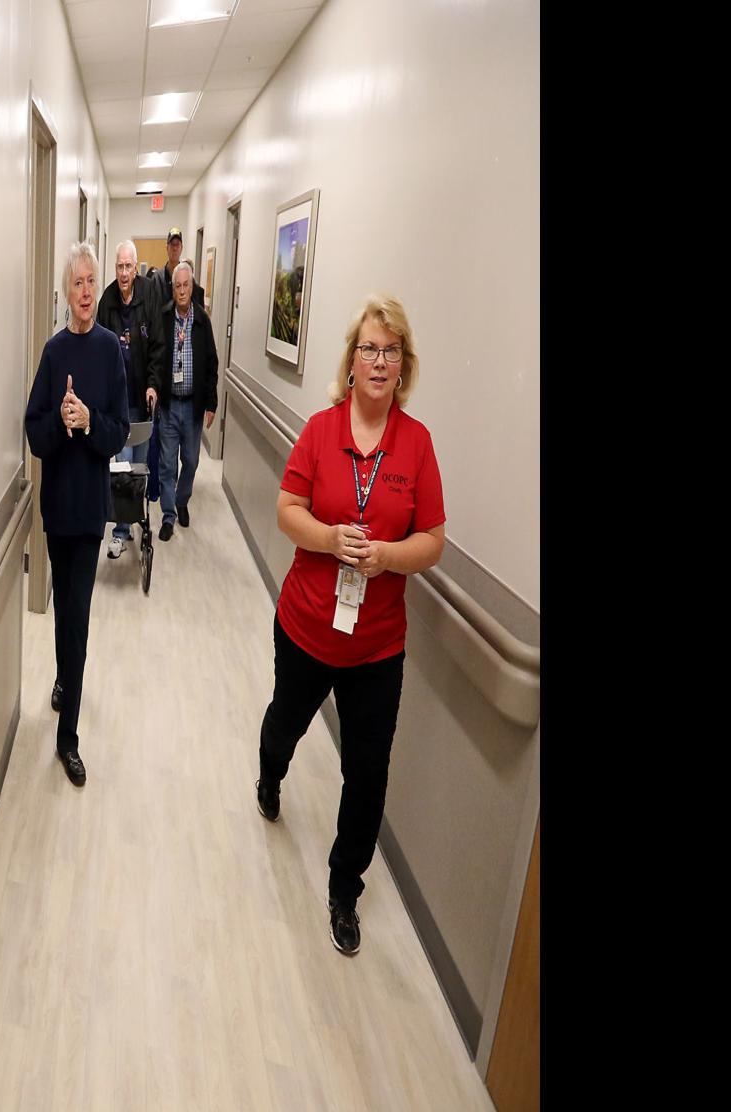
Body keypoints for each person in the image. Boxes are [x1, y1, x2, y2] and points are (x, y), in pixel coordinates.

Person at [255, 295, 445, 955]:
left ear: (403, 364)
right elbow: (288, 509)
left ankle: (344, 890)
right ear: (352, 360)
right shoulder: (321, 430)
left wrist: (387, 556)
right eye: (369, 349)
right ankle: (270, 772)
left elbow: (433, 540)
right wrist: (331, 539)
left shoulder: (416, 445)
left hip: (377, 647)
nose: (379, 361)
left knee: (368, 773)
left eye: (391, 351)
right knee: (285, 722)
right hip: (307, 626)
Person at [24, 242, 129, 786]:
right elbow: (34, 432)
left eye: (92, 281)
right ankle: (65, 678)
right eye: (78, 283)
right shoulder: (53, 352)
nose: (86, 292)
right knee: (63, 608)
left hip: (89, 511)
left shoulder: (110, 350)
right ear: (66, 292)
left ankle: (68, 738)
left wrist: (88, 422)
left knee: (79, 619)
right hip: (57, 508)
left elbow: (119, 433)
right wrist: (60, 421)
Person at [96, 240, 165, 558]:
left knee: (139, 465)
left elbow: (158, 346)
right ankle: (121, 531)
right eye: (119, 267)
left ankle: (138, 517)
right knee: (122, 466)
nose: (123, 273)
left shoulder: (149, 294)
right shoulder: (107, 300)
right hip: (118, 402)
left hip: (141, 397)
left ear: (136, 268)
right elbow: (99, 348)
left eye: (128, 267)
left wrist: (153, 385)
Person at [147, 261, 218, 541]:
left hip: (192, 406)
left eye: (186, 285)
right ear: (173, 289)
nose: (182, 291)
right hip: (169, 404)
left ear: (192, 287)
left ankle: (182, 499)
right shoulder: (164, 317)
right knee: (166, 464)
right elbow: (154, 357)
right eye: (177, 286)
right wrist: (153, 387)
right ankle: (168, 515)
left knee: (190, 460)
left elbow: (211, 364)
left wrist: (211, 403)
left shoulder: (202, 321)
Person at [150, 228, 204, 308]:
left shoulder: (188, 278)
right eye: (172, 244)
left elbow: (196, 307)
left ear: (181, 248)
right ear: (167, 248)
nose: (174, 248)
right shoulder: (157, 279)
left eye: (177, 245)